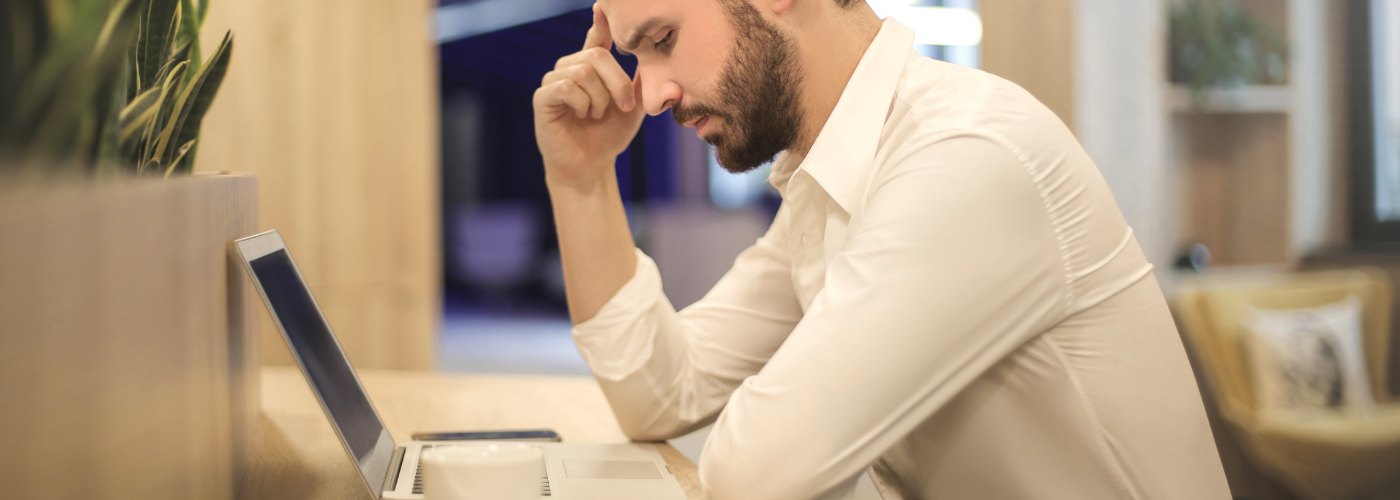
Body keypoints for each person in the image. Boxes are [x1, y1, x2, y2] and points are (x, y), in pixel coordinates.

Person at [531, 0, 1231, 498]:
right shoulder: (829, 183)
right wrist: (583, 178)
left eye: (663, 39)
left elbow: (760, 474)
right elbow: (662, 394)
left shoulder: (966, 155)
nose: (650, 94)